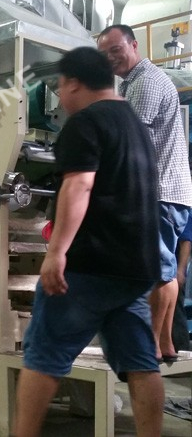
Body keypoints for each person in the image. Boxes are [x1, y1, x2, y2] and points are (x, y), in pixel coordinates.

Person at [15, 47, 164, 436]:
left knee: (43, 355)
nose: (60, 97)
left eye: (59, 87)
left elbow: (80, 184)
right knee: (141, 362)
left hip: (89, 265)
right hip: (135, 268)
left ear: (73, 83)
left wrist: (57, 251)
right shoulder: (136, 126)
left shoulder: (85, 123)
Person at [98, 24, 192, 363]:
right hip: (167, 192)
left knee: (158, 273)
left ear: (134, 45)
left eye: (116, 50)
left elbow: (131, 142)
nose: (110, 58)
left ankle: (148, 344)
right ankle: (164, 343)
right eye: (104, 54)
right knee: (164, 270)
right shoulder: (135, 83)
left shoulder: (146, 82)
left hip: (160, 193)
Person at [172, 216, 191, 352]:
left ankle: (181, 348)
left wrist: (181, 269)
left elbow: (186, 240)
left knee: (176, 312)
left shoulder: (181, 210)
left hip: (172, 270)